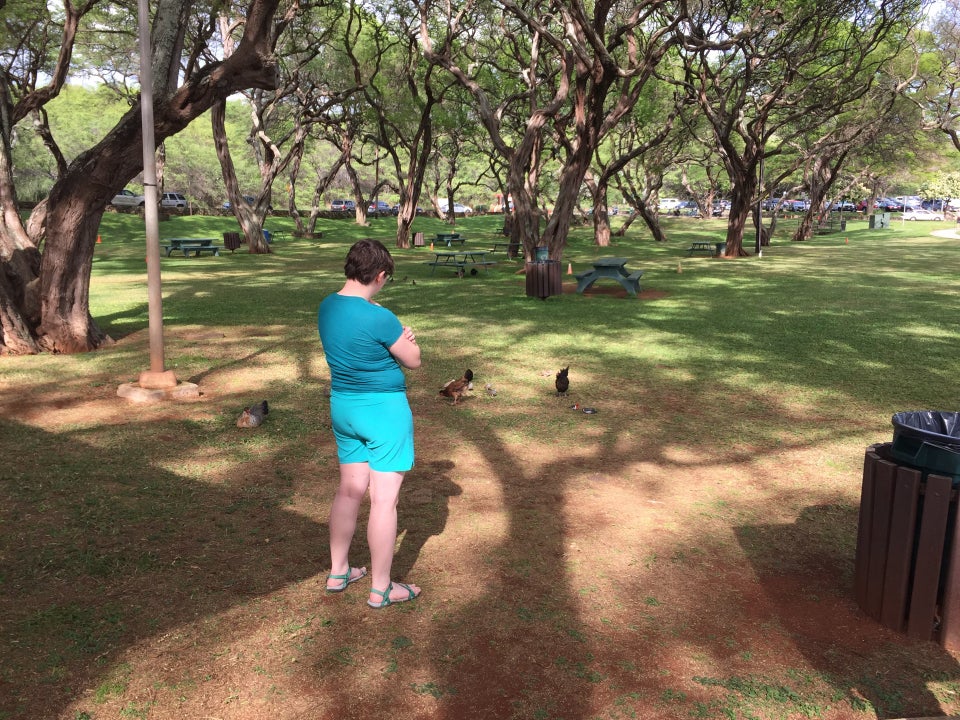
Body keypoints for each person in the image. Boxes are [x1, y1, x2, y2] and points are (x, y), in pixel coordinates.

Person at [317, 239, 422, 609]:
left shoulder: (327, 306)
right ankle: (381, 588)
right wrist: (407, 339)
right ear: (379, 275)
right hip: (383, 412)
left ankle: (339, 571)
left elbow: (353, 326)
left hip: (344, 409)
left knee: (349, 491)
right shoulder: (382, 317)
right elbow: (413, 360)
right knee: (383, 501)